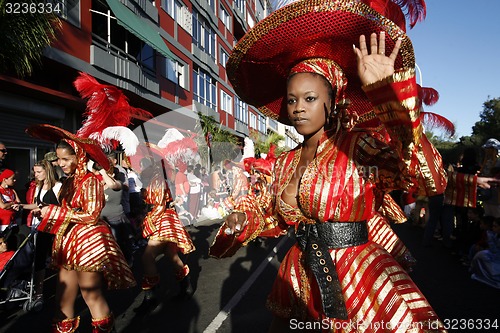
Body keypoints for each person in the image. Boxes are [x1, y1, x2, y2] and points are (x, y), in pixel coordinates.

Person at [212, 0, 500, 331]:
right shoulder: (284, 162)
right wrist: (241, 219)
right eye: (292, 99)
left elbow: (429, 179)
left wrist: (386, 95)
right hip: (297, 274)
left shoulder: (358, 147)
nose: (297, 109)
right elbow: (269, 213)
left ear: (333, 101)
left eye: (309, 98)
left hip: (356, 279)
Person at [26, 124, 136, 333]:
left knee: (90, 295)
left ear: (79, 157)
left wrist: (53, 212)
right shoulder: (67, 183)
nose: (61, 164)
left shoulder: (91, 182)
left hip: (89, 243)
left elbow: (91, 215)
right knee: (63, 297)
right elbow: (63, 209)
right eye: (59, 159)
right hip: (68, 242)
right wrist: (46, 211)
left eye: (66, 159)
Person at [135, 161, 195, 313]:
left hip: (161, 220)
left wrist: (148, 221)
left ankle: (151, 297)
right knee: (171, 254)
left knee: (147, 257)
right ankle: (186, 287)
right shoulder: (155, 178)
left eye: (144, 163)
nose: (141, 166)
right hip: (164, 218)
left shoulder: (158, 179)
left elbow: (160, 205)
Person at [22, 159, 62, 302]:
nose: (36, 174)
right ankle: (39, 293)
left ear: (48, 171)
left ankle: (62, 291)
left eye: (39, 172)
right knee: (38, 259)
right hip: (42, 228)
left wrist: (45, 211)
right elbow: (37, 204)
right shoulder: (39, 187)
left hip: (56, 229)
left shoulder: (58, 186)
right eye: (35, 171)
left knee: (58, 261)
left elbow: (63, 209)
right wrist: (21, 206)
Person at [470, 218, 500, 289]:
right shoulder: (495, 235)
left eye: (495, 226)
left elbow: (494, 250)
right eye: (493, 226)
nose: (493, 228)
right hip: (495, 255)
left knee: (482, 256)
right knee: (481, 255)